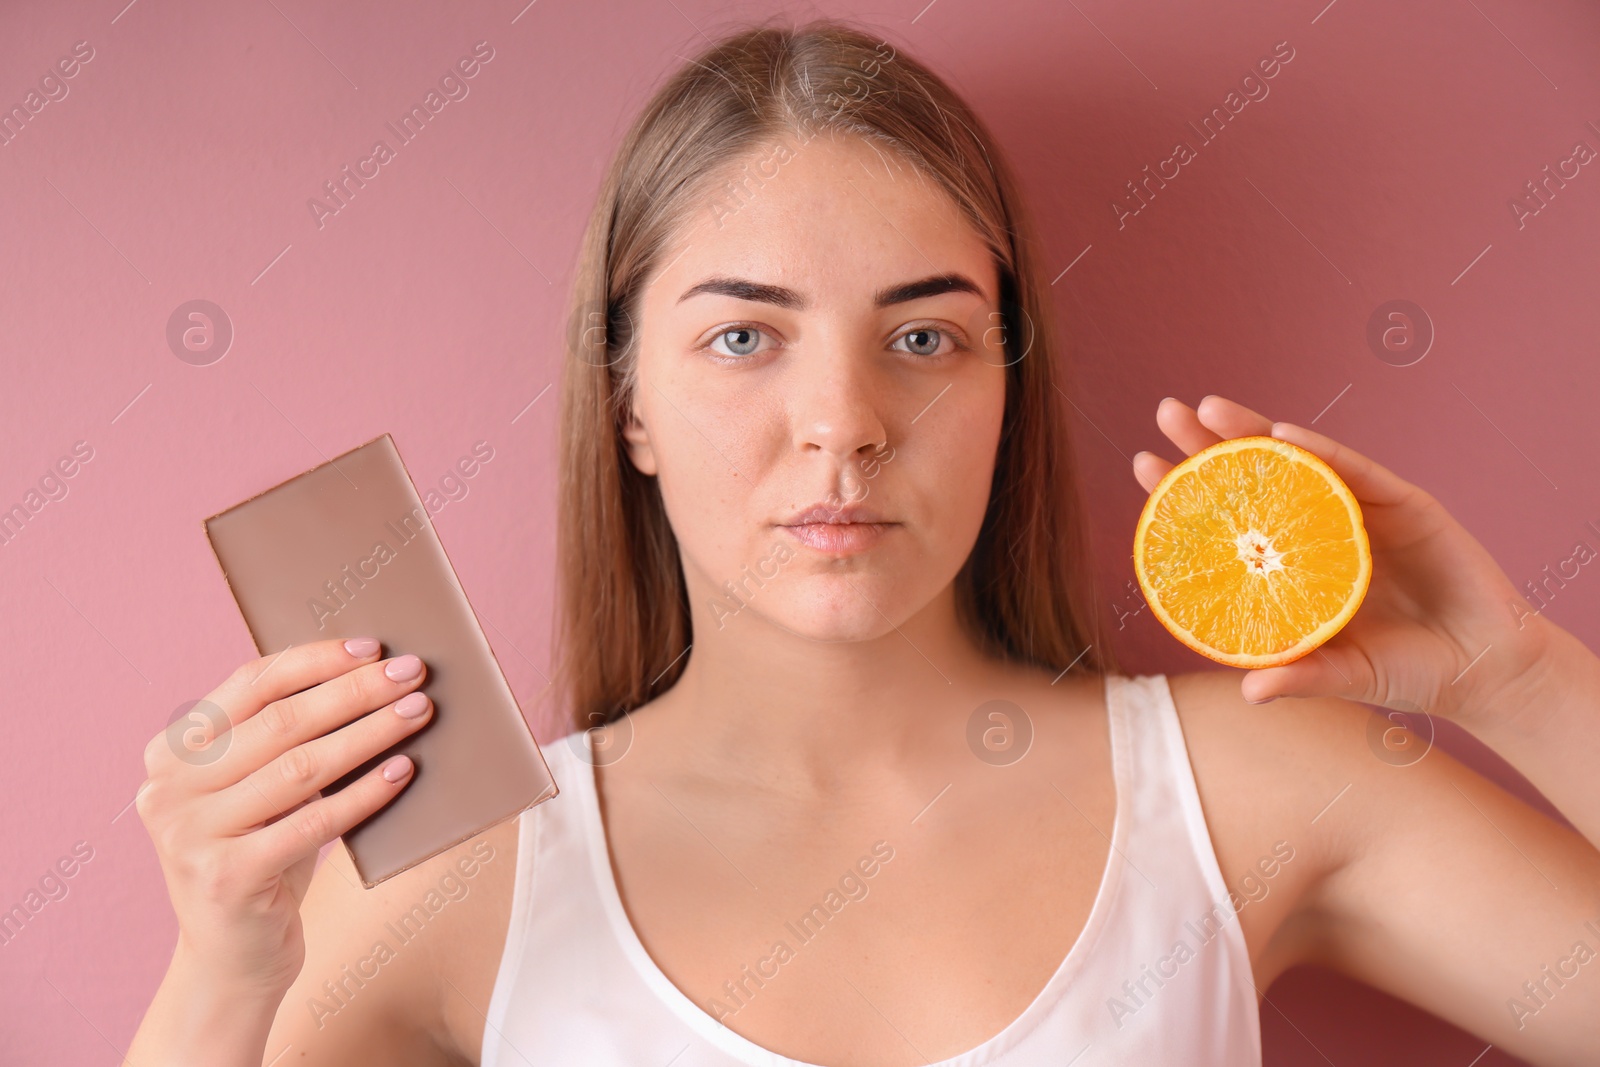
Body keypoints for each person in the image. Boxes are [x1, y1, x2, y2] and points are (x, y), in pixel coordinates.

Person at [127, 18, 1600, 1066]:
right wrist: (220, 971)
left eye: (923, 334)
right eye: (744, 335)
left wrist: (1523, 683)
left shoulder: (1251, 782)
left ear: (1008, 388)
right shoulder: (464, 871)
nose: (842, 423)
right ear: (627, 404)